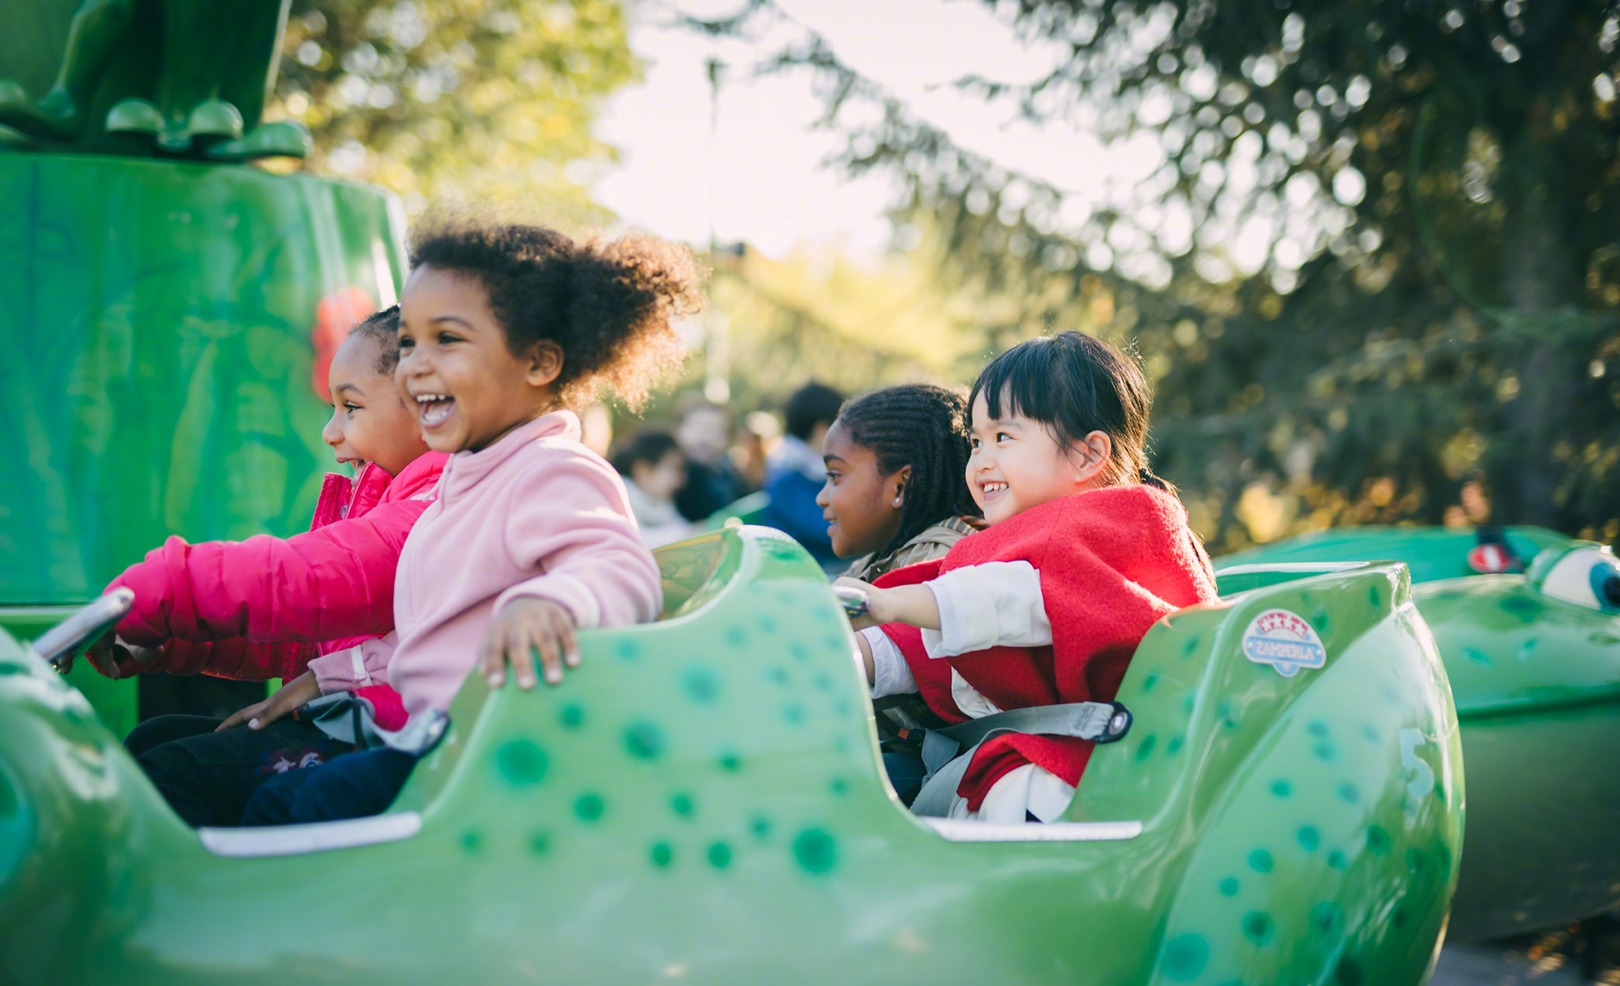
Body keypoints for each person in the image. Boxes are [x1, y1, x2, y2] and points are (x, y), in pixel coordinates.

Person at [240, 219, 699, 826]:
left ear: (538, 362)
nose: (415, 367)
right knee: (267, 790)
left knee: (305, 803)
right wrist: (326, 677)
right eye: (408, 343)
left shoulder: (551, 469)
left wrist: (555, 600)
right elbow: (429, 637)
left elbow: (621, 567)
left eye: (446, 340)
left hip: (489, 759)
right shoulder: (467, 476)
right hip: (431, 736)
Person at [87, 306, 449, 827]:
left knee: (170, 775)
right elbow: (301, 639)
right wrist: (174, 644)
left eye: (350, 407)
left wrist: (167, 589)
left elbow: (304, 581)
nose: (330, 431)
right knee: (151, 740)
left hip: (381, 736)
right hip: (352, 719)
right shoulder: (388, 502)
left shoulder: (429, 509)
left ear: (425, 407)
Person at [839, 331, 1219, 823]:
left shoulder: (1112, 527)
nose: (981, 461)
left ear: (1087, 455)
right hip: (1091, 750)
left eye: (1003, 437)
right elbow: (933, 636)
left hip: (1088, 765)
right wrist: (855, 653)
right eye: (975, 441)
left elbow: (1007, 600)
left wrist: (886, 604)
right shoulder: (1033, 538)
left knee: (993, 798)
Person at [814, 383, 984, 803]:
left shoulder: (939, 557)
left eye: (836, 476)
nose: (822, 497)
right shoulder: (886, 554)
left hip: (922, 775)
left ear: (900, 485)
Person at [762, 381, 844, 572]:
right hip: (801, 572)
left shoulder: (809, 470)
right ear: (822, 430)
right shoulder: (787, 477)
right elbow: (824, 530)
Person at [612, 430, 696, 548]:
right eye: (673, 468)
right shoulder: (615, 498)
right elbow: (634, 541)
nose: (679, 480)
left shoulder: (662, 504)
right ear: (643, 470)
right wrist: (689, 533)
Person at [672, 399, 743, 521]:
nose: (706, 437)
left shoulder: (728, 476)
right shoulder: (664, 473)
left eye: (716, 430)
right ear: (678, 429)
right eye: (698, 426)